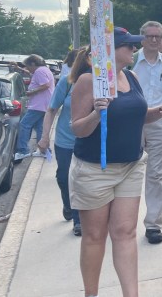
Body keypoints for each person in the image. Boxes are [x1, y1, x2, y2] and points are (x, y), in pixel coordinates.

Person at [70, 27, 162, 297]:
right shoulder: (89, 81)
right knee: (95, 237)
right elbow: (78, 129)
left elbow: (137, 115)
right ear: (110, 51)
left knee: (125, 232)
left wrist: (160, 111)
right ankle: (91, 293)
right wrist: (98, 113)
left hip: (131, 166)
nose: (134, 49)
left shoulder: (131, 77)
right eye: (128, 46)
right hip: (95, 170)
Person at [132, 20, 162, 244]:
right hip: (132, 122)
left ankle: (153, 224)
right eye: (150, 36)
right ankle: (123, 221)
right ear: (142, 38)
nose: (154, 40)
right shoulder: (131, 62)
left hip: (159, 122)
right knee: (127, 171)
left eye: (158, 37)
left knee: (156, 175)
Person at [37, 46, 92, 236]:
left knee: (81, 181)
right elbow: (51, 110)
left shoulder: (102, 84)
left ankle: (79, 220)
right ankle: (68, 206)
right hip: (65, 140)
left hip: (88, 140)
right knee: (64, 177)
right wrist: (44, 137)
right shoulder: (67, 83)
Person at [15, 54, 55, 160]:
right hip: (44, 104)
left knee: (24, 124)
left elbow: (46, 85)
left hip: (38, 104)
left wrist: (31, 92)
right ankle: (44, 150)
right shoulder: (43, 70)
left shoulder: (39, 71)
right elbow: (40, 80)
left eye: (28, 66)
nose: (27, 69)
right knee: (40, 127)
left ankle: (23, 151)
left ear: (33, 64)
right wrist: (19, 68)